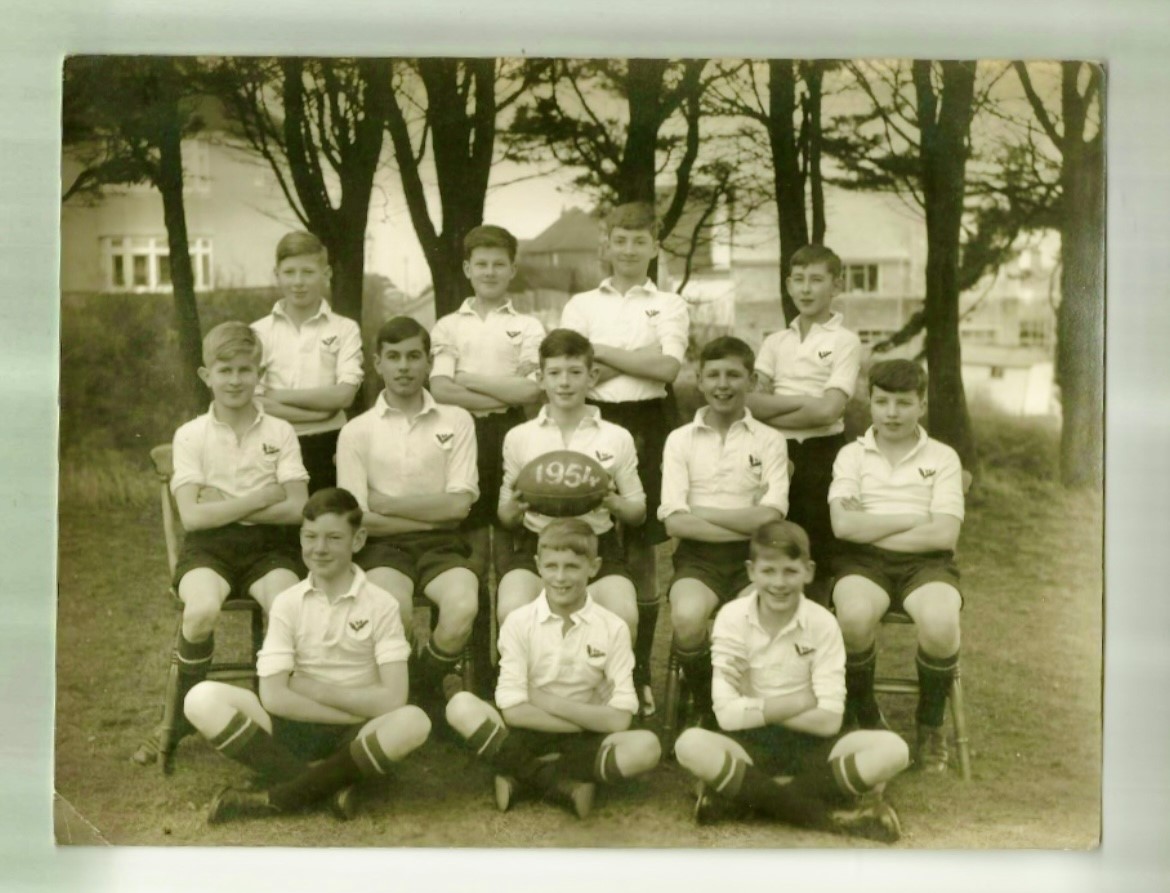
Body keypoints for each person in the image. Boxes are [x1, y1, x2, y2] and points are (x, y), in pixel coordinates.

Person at [184, 487, 431, 823]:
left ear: (358, 540)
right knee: (200, 698)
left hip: (354, 734)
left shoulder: (381, 604)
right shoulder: (287, 601)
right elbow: (272, 696)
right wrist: (349, 706)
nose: (319, 549)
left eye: (333, 537)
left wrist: (313, 689)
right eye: (310, 536)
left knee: (414, 721)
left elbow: (393, 700)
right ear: (300, 537)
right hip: (294, 729)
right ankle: (334, 782)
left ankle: (280, 796)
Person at [132, 321, 309, 766]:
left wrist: (226, 503)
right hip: (208, 548)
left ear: (259, 373)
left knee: (288, 604)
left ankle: (291, 718)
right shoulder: (190, 434)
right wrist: (261, 496)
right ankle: (184, 711)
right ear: (205, 375)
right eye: (224, 370)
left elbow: (296, 508)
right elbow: (193, 516)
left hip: (271, 548)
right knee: (202, 609)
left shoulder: (280, 432)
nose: (234, 379)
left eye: (244, 370)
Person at [674, 521, 909, 842]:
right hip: (749, 743)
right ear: (751, 571)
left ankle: (748, 798)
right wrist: (802, 700)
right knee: (689, 745)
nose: (779, 583)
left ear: (809, 571)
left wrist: (754, 698)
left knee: (894, 750)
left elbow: (828, 721)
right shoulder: (731, 617)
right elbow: (727, 715)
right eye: (768, 571)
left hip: (816, 749)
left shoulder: (823, 623)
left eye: (790, 571)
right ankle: (827, 816)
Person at [560, 202, 691, 715]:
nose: (630, 249)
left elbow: (665, 368)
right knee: (582, 536)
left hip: (651, 423)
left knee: (640, 548)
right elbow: (570, 366)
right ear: (607, 244)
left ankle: (638, 675)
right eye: (621, 239)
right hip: (589, 419)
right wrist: (614, 360)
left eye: (640, 241)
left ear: (655, 246)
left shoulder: (671, 304)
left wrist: (602, 354)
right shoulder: (581, 304)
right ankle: (580, 670)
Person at [445, 518, 662, 818]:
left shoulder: (613, 627)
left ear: (594, 567)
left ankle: (520, 774)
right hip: (532, 730)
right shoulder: (519, 621)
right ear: (538, 565)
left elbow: (622, 717)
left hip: (584, 740)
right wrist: (592, 719)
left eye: (572, 567)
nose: (560, 578)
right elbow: (513, 710)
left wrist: (544, 699)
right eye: (551, 567)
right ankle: (558, 782)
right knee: (460, 706)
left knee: (647, 747)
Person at [335, 316, 480, 713]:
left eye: (414, 356)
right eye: (394, 357)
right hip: (383, 547)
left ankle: (419, 686)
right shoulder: (357, 431)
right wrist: (432, 512)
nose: (404, 367)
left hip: (443, 545)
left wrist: (389, 504)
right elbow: (360, 519)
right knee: (391, 609)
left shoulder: (457, 420)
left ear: (429, 362)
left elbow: (458, 507)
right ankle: (421, 695)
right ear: (377, 363)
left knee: (463, 607)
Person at [829, 359, 966, 773]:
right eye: (882, 401)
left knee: (942, 623)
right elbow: (842, 526)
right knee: (851, 617)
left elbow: (944, 536)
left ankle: (930, 725)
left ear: (921, 405)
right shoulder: (851, 456)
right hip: (863, 563)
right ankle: (864, 710)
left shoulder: (943, 457)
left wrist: (867, 526)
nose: (892, 412)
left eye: (903, 403)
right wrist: (912, 518)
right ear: (869, 402)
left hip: (926, 565)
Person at [429, 224, 545, 689]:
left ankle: (511, 667)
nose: (491, 271)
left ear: (512, 269)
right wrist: (493, 386)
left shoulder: (529, 325)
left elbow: (530, 390)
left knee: (513, 545)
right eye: (482, 264)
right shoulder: (448, 325)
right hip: (461, 437)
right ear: (467, 269)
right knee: (475, 554)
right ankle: (475, 670)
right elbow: (439, 389)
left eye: (500, 263)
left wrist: (469, 379)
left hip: (514, 431)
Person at [659, 336, 790, 728]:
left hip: (759, 560)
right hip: (698, 559)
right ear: (698, 380)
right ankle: (708, 706)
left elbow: (771, 517)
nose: (723, 384)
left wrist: (702, 511)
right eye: (713, 375)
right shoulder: (680, 440)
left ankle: (751, 708)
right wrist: (745, 518)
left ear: (750, 380)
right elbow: (674, 522)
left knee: (748, 619)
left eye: (734, 375)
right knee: (686, 617)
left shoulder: (770, 440)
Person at [497, 329, 644, 650]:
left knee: (623, 616)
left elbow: (637, 511)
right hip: (537, 544)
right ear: (541, 378)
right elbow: (505, 515)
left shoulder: (616, 436)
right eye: (555, 373)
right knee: (511, 610)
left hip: (598, 546)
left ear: (591, 376)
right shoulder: (520, 437)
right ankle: (517, 688)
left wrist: (611, 500)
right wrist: (516, 507)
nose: (564, 382)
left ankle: (618, 688)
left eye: (575, 372)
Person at [747, 244, 862, 606]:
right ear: (788, 284)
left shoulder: (845, 341)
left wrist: (775, 409)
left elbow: (829, 411)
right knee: (772, 544)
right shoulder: (775, 342)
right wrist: (803, 401)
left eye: (816, 280)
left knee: (816, 552)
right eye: (798, 280)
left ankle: (816, 639)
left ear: (836, 286)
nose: (806, 289)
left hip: (822, 455)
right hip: (775, 452)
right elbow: (750, 403)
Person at [251, 231, 364, 492]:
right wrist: (323, 412)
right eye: (289, 272)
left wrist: (276, 395)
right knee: (283, 527)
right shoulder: (258, 332)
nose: (298, 282)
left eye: (308, 272)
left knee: (330, 522)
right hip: (274, 442)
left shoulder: (345, 329)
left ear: (326, 274)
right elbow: (254, 403)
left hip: (332, 443)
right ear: (276, 274)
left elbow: (344, 396)